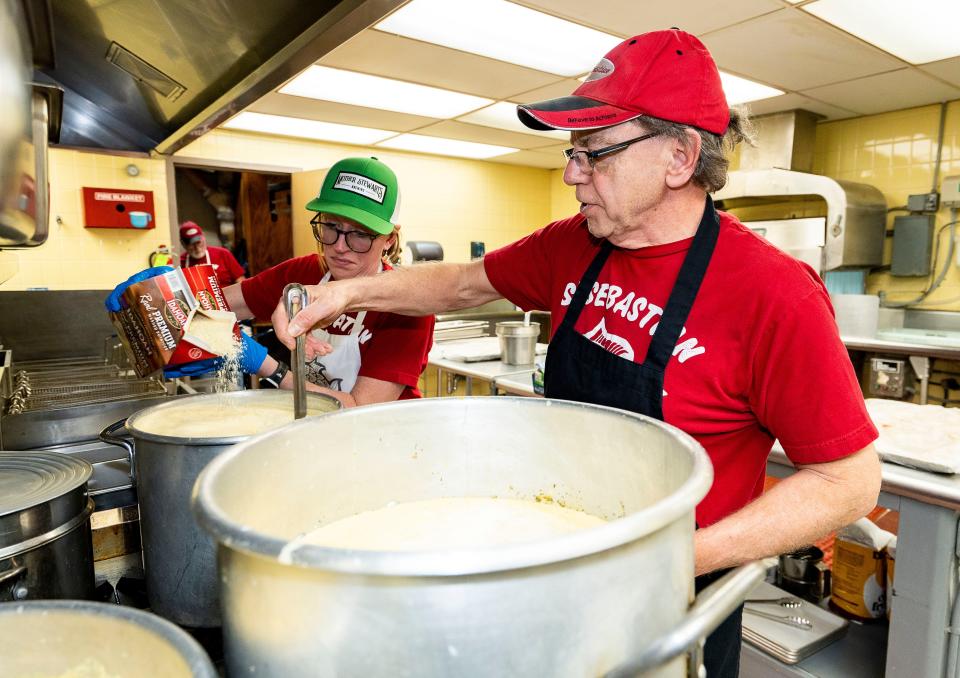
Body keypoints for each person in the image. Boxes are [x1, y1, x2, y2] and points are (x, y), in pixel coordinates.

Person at [271, 30, 882, 675]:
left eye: (594, 152)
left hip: (670, 596)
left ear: (679, 157)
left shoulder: (773, 294)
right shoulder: (574, 245)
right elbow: (458, 284)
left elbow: (847, 480)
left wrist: (675, 555)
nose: (570, 173)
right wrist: (347, 294)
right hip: (552, 564)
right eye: (573, 151)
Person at [223, 156, 435, 408]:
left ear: (389, 238)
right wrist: (175, 293)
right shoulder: (304, 272)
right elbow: (214, 303)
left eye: (359, 234)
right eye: (331, 226)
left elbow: (359, 407)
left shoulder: (407, 309)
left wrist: (268, 367)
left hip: (377, 433)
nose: (339, 247)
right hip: (314, 423)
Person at [179, 221, 246, 287]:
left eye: (198, 242)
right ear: (183, 244)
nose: (197, 248)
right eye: (192, 244)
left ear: (203, 237)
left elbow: (241, 281)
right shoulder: (180, 262)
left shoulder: (223, 254)